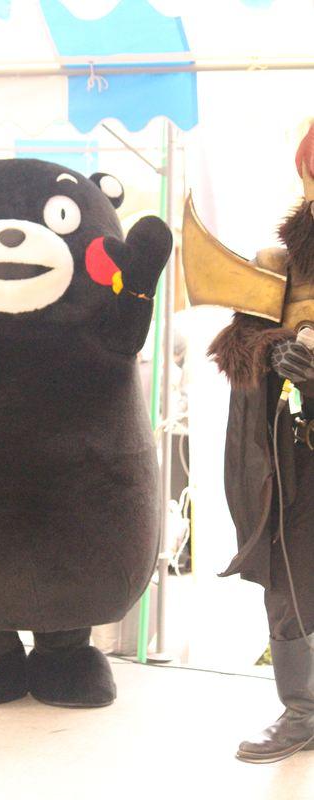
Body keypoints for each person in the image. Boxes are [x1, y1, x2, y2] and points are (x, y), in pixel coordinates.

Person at [209, 124, 314, 763]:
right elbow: (235, 347)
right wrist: (273, 353)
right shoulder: (277, 266)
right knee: (293, 578)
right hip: (297, 457)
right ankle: (302, 710)